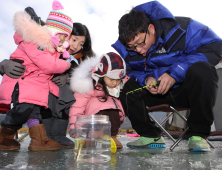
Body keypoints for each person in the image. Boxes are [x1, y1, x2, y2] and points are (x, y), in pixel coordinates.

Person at [112, 1, 222, 152]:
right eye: (132, 47)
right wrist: (146, 79)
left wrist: (175, 73)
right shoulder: (129, 49)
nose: (138, 50)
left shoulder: (184, 28)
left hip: (187, 90)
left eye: (140, 43)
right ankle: (150, 135)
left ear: (151, 29)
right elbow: (130, 71)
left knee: (203, 69)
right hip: (156, 93)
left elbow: (214, 48)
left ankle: (198, 135)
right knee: (125, 88)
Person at [0, 0, 73, 151]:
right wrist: (66, 65)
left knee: (35, 114)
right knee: (21, 111)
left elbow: (46, 74)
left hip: (34, 87)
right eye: (61, 35)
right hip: (23, 84)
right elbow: (48, 65)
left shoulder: (50, 48)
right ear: (52, 30)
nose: (63, 40)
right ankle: (4, 137)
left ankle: (39, 140)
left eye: (66, 37)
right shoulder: (36, 41)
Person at [41, 22, 95, 148]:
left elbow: (81, 77)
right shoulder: (51, 49)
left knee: (68, 97)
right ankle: (46, 135)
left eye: (81, 44)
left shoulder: (80, 60)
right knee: (46, 100)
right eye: (74, 39)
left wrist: (67, 78)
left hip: (65, 94)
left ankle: (59, 134)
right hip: (45, 90)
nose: (76, 46)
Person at [69, 52, 128, 149]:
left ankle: (112, 137)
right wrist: (74, 128)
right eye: (111, 79)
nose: (115, 83)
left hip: (111, 120)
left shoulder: (116, 87)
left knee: (113, 110)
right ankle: (94, 137)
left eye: (118, 79)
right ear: (102, 74)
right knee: (103, 108)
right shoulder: (89, 85)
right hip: (91, 120)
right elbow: (77, 106)